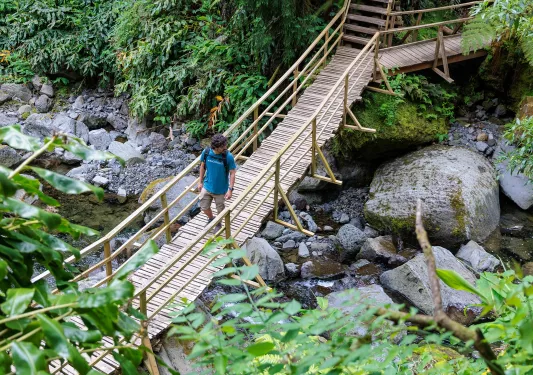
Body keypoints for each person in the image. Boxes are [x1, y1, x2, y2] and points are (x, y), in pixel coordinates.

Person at [197, 133, 236, 232]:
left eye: (225, 145)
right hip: (207, 186)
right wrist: (200, 182)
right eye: (223, 146)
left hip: (220, 189)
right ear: (216, 147)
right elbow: (202, 166)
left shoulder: (228, 156)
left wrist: (230, 189)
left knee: (220, 210)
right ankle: (211, 218)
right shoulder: (206, 153)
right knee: (203, 207)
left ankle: (218, 223)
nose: (225, 147)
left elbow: (232, 173)